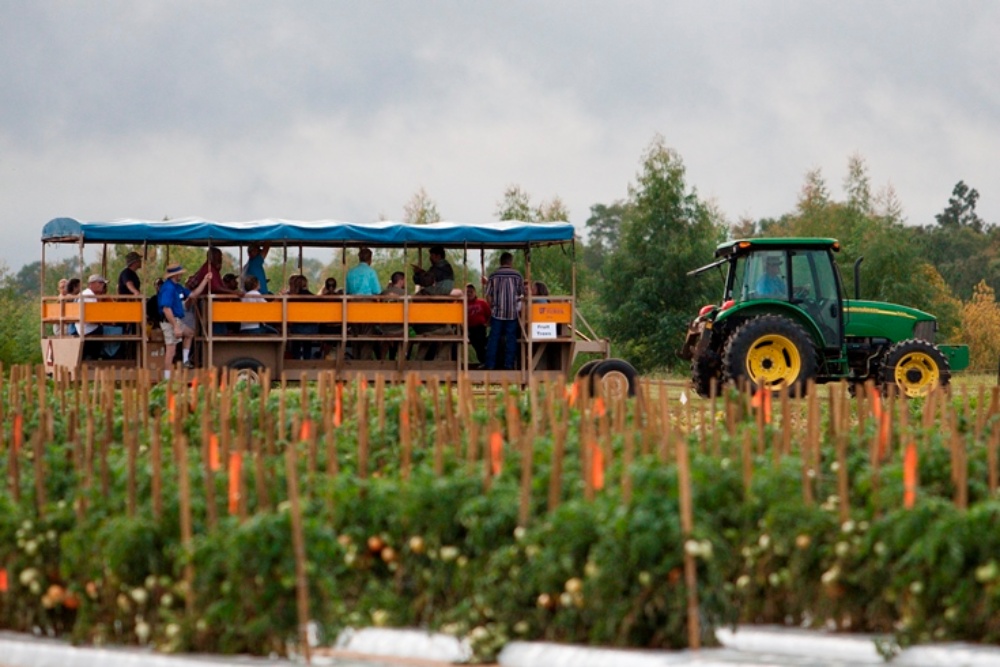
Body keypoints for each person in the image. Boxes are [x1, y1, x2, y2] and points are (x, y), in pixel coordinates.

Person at [159, 263, 211, 377]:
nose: (181, 276)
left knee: (189, 333)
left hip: (176, 319)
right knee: (171, 350)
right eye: (179, 274)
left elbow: (193, 294)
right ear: (175, 275)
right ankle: (166, 379)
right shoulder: (168, 288)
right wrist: (175, 326)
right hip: (169, 321)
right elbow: (166, 309)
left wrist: (205, 280)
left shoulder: (177, 287)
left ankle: (185, 360)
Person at [483, 252, 524, 370]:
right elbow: (522, 293)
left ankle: (490, 364)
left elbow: (488, 296)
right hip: (512, 313)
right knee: (511, 339)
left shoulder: (493, 276)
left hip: (497, 313)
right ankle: (509, 365)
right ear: (511, 262)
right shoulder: (517, 276)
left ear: (500, 261)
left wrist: (492, 307)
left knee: (493, 338)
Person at [80, 274, 108, 360]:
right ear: (92, 284)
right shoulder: (89, 296)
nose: (102, 285)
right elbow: (92, 317)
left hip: (84, 326)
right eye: (100, 283)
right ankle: (105, 356)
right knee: (110, 330)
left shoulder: (86, 293)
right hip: (88, 328)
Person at [466, 283, 490, 366]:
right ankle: (484, 360)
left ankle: (485, 361)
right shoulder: (463, 304)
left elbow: (489, 314)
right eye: (467, 292)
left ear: (475, 292)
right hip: (469, 328)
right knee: (476, 344)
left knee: (480, 343)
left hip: (480, 327)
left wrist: (486, 323)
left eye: (471, 291)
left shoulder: (482, 303)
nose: (469, 293)